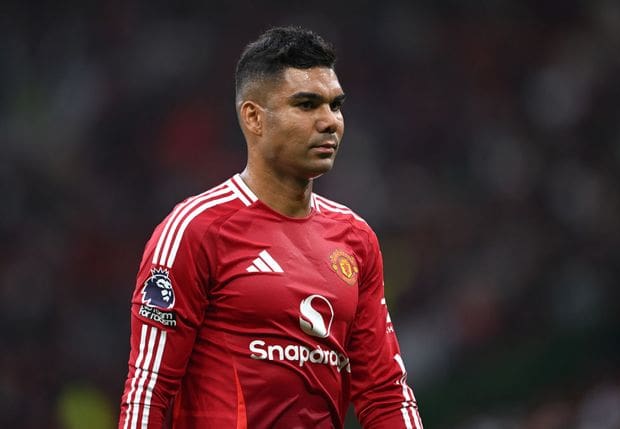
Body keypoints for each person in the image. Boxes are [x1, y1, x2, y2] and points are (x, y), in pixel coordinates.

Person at [119, 26, 422, 429]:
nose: (329, 121)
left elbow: (385, 393)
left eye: (335, 105)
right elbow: (149, 388)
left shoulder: (355, 238)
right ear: (254, 118)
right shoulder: (195, 230)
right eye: (307, 104)